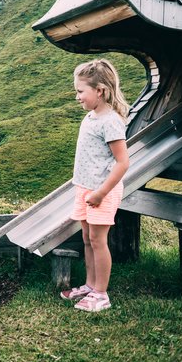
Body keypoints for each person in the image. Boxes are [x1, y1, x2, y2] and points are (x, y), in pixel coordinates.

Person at [61, 59, 129, 312]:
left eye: (81, 91)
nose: (77, 97)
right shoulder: (91, 117)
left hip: (102, 191)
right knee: (88, 239)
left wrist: (101, 193)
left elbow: (123, 163)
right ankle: (90, 286)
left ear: (99, 91)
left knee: (99, 241)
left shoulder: (110, 121)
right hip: (85, 189)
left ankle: (101, 294)